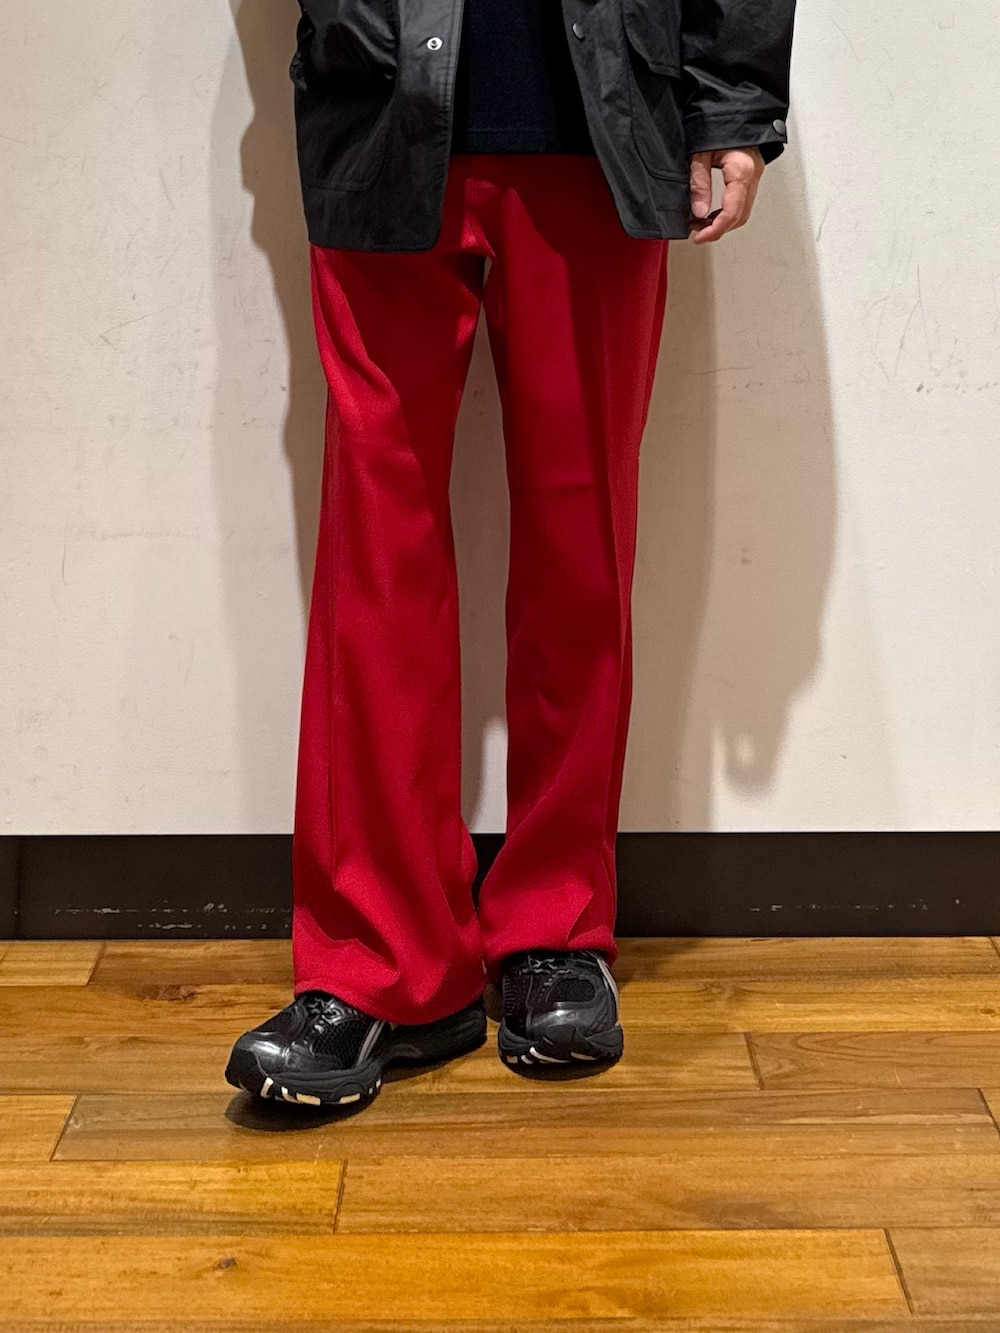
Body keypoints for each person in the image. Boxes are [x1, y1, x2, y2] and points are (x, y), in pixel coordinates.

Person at [226, 0, 797, 1109]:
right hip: (380, 107)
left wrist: (732, 101)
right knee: (375, 566)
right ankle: (378, 961)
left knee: (581, 555)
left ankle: (557, 931)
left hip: (603, 121)